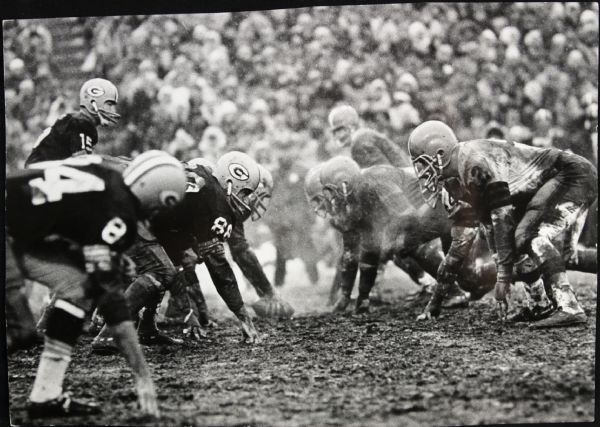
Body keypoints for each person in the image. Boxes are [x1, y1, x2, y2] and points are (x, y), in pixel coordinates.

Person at [6, 151, 187, 417]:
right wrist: (142, 376)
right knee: (21, 331)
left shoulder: (109, 172)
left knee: (76, 287)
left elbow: (61, 217)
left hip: (18, 229)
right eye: (161, 207)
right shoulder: (119, 214)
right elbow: (112, 302)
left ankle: (46, 395)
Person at [408, 120, 597, 328]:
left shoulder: (474, 163)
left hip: (571, 175)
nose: (421, 171)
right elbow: (461, 246)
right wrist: (435, 303)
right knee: (545, 250)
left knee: (527, 235)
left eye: (422, 163)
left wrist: (503, 277)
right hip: (548, 186)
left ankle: (569, 307)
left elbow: (502, 217)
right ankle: (538, 304)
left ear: (439, 153)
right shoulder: (455, 183)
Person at [25, 78, 120, 166]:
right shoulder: (81, 123)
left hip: (39, 171)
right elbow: (83, 161)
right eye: (109, 104)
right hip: (42, 175)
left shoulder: (74, 120)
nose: (113, 110)